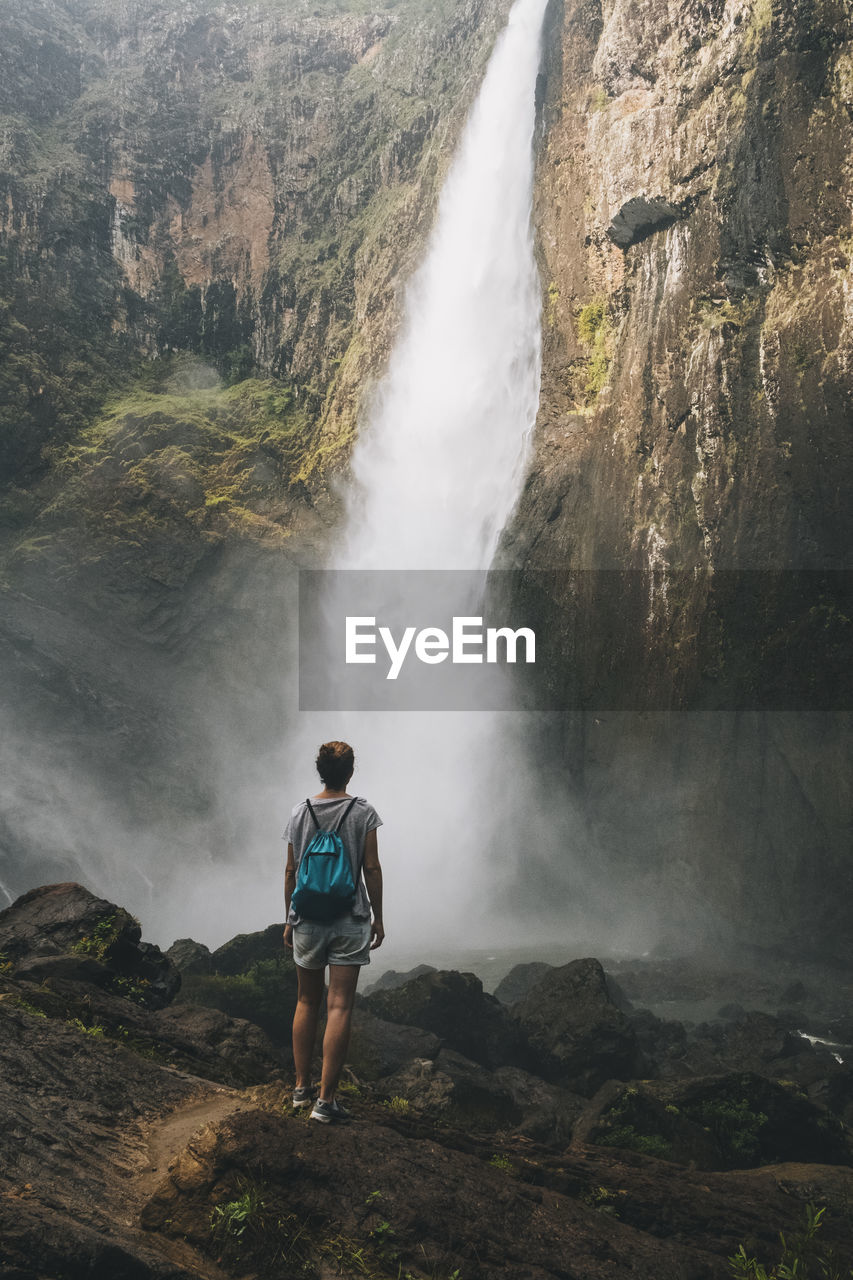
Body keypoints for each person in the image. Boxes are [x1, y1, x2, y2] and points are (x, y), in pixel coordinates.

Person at [282, 740, 384, 1123]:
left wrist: (289, 918)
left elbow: (291, 871)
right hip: (349, 918)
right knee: (339, 1005)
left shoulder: (299, 813)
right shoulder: (363, 812)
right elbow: (371, 868)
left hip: (307, 918)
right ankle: (325, 1103)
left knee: (306, 1001)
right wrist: (378, 916)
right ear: (351, 772)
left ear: (319, 771)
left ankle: (299, 1089)